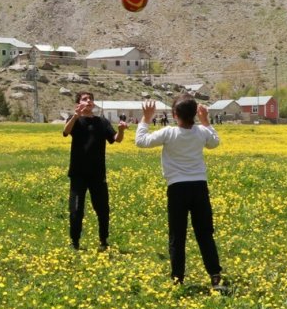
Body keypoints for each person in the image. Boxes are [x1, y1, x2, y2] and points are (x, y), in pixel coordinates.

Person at [134, 99, 227, 293]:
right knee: (205, 234)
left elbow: (140, 141)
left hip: (177, 188)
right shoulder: (202, 132)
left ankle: (178, 278)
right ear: (195, 114)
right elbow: (215, 143)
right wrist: (206, 120)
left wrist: (146, 118)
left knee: (177, 235)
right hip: (199, 187)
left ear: (174, 114)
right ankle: (215, 276)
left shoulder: (169, 133)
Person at [62, 91, 126, 250]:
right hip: (78, 174)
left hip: (97, 174)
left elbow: (115, 139)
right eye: (85, 99)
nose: (89, 101)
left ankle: (104, 241)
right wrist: (75, 116)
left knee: (103, 210)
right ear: (78, 103)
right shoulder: (75, 120)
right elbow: (65, 132)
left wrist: (121, 130)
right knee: (76, 210)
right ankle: (75, 242)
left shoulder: (102, 122)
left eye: (91, 99)